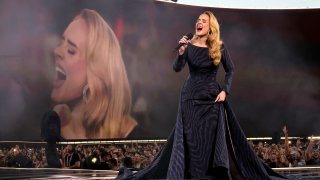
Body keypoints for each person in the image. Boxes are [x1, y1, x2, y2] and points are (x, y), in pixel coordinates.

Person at [117, 11, 289, 179]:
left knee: (209, 138)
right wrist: (181, 53)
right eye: (198, 20)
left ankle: (209, 174)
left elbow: (230, 69)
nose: (199, 22)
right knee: (192, 139)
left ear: (211, 26)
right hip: (190, 97)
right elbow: (177, 68)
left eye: (203, 21)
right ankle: (193, 174)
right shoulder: (189, 45)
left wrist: (225, 91)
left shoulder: (219, 46)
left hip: (212, 99)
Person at [51, 9, 137, 139]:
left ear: (96, 71)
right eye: (61, 43)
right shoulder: (55, 126)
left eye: (71, 50)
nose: (57, 51)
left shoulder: (134, 137)